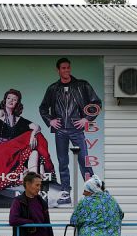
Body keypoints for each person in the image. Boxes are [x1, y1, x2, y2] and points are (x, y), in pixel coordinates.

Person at [0, 89, 56, 198]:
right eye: (9, 98)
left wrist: (33, 134)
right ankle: (48, 168)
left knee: (36, 145)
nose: (11, 101)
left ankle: (35, 185)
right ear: (5, 100)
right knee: (34, 138)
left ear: (17, 103)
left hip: (13, 151)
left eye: (14, 99)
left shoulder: (18, 119)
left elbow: (37, 127)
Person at [39, 57, 102, 205]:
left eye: (68, 68)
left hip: (76, 130)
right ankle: (65, 193)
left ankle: (93, 192)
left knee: (83, 161)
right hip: (60, 130)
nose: (66, 70)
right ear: (58, 70)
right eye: (63, 68)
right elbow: (43, 108)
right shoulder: (53, 88)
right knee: (63, 162)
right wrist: (50, 120)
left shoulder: (82, 85)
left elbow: (96, 103)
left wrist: (86, 118)